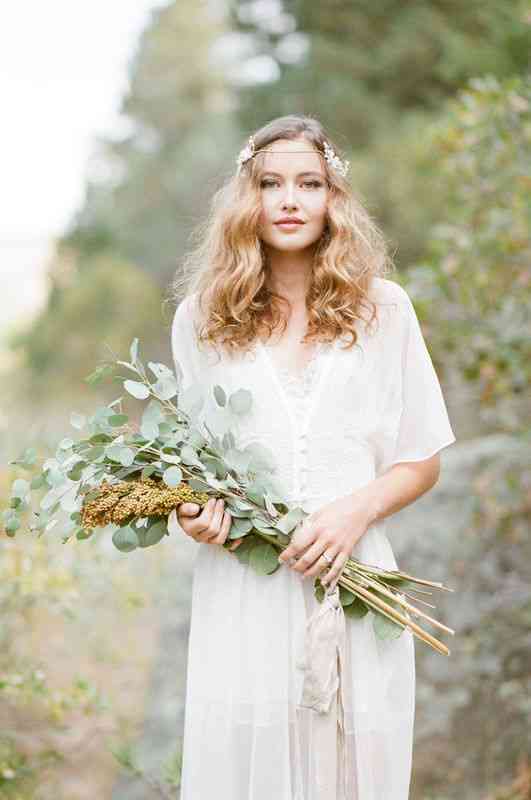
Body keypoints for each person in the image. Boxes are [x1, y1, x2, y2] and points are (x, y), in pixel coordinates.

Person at [169, 114, 456, 800]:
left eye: (309, 183)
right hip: (243, 590)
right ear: (247, 198)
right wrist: (192, 513)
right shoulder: (200, 318)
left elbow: (420, 457)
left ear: (334, 199)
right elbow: (188, 470)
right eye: (270, 184)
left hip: (355, 582)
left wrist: (351, 514)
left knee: (357, 770)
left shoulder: (384, 310)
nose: (289, 200)